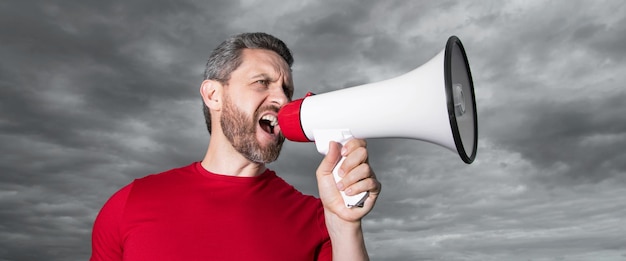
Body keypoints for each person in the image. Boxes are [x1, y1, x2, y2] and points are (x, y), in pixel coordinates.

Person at [90, 32, 381, 261]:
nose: (282, 100)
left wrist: (345, 225)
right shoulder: (130, 203)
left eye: (287, 90)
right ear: (213, 95)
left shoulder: (317, 217)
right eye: (261, 82)